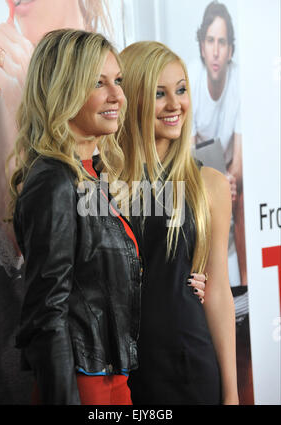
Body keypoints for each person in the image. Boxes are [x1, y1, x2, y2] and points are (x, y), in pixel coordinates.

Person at [0, 0, 113, 404]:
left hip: (118, 372)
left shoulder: (120, 87)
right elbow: (21, 248)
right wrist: (16, 104)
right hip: (27, 375)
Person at [8, 28, 143, 405]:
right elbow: (46, 316)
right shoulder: (53, 181)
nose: (117, 95)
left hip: (112, 379)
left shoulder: (90, 174)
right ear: (63, 91)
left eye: (117, 81)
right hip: (84, 385)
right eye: (98, 83)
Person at [119, 41, 239, 405]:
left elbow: (217, 293)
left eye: (181, 90)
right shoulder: (102, 185)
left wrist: (231, 395)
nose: (175, 104)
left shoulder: (211, 185)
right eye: (159, 93)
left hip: (190, 365)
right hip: (120, 373)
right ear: (134, 98)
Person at [189, 0, 253, 404]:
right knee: (205, 204)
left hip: (228, 169)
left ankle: (245, 292)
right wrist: (215, 183)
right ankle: (202, 292)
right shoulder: (192, 81)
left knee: (241, 201)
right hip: (198, 170)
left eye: (223, 42)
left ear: (231, 49)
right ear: (202, 45)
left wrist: (229, 182)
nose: (216, 50)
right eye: (210, 41)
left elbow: (240, 157)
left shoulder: (240, 83)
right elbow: (189, 152)